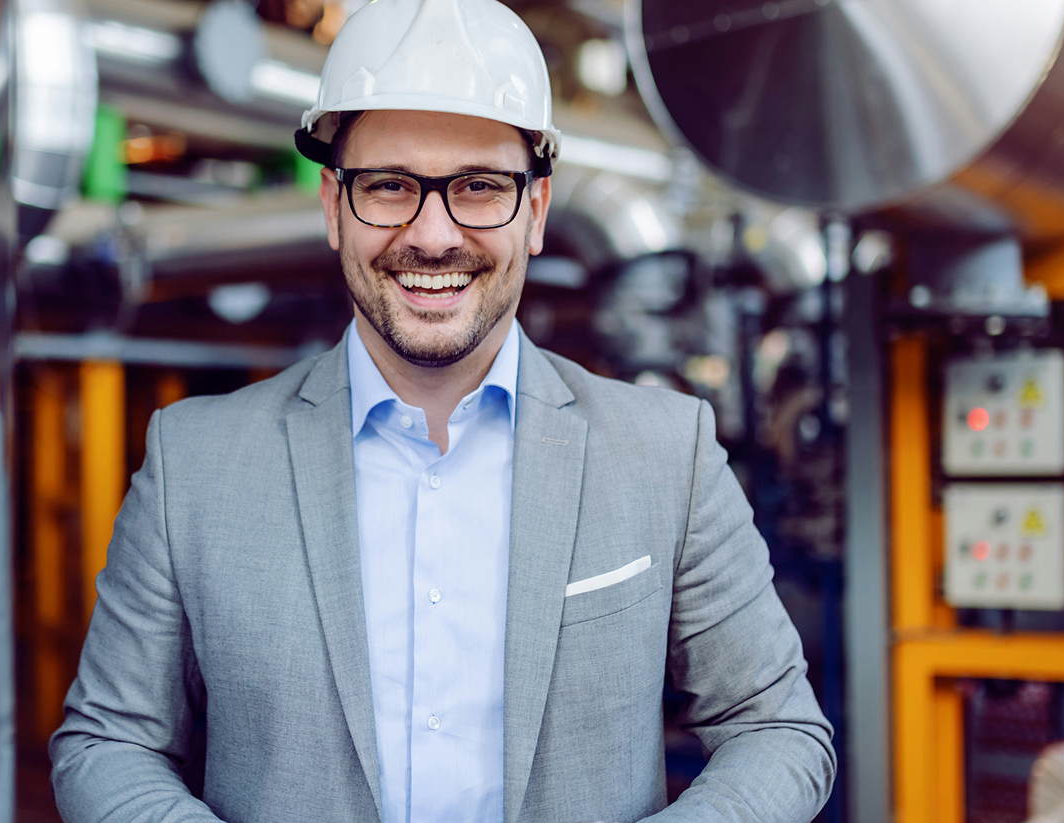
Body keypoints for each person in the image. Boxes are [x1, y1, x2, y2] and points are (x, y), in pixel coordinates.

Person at [49, 0, 834, 820]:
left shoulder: (667, 453)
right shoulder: (196, 462)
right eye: (389, 186)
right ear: (332, 205)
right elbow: (108, 742)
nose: (432, 235)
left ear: (536, 211)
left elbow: (776, 726)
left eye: (479, 187)